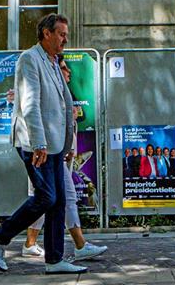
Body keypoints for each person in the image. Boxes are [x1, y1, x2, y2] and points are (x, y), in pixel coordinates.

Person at [0, 14, 85, 275]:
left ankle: (54, 259)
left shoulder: (52, 62)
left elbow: (64, 104)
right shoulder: (30, 59)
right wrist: (39, 143)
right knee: (47, 196)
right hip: (34, 143)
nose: (65, 38)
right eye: (61, 33)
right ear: (46, 34)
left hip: (55, 143)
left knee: (58, 200)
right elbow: (30, 104)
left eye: (65, 34)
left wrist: (68, 142)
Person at [22, 55, 107, 262]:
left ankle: (30, 244)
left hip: (54, 155)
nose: (68, 72)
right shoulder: (48, 90)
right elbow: (45, 121)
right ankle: (78, 245)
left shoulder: (61, 92)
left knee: (47, 199)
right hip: (47, 156)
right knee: (60, 197)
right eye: (63, 68)